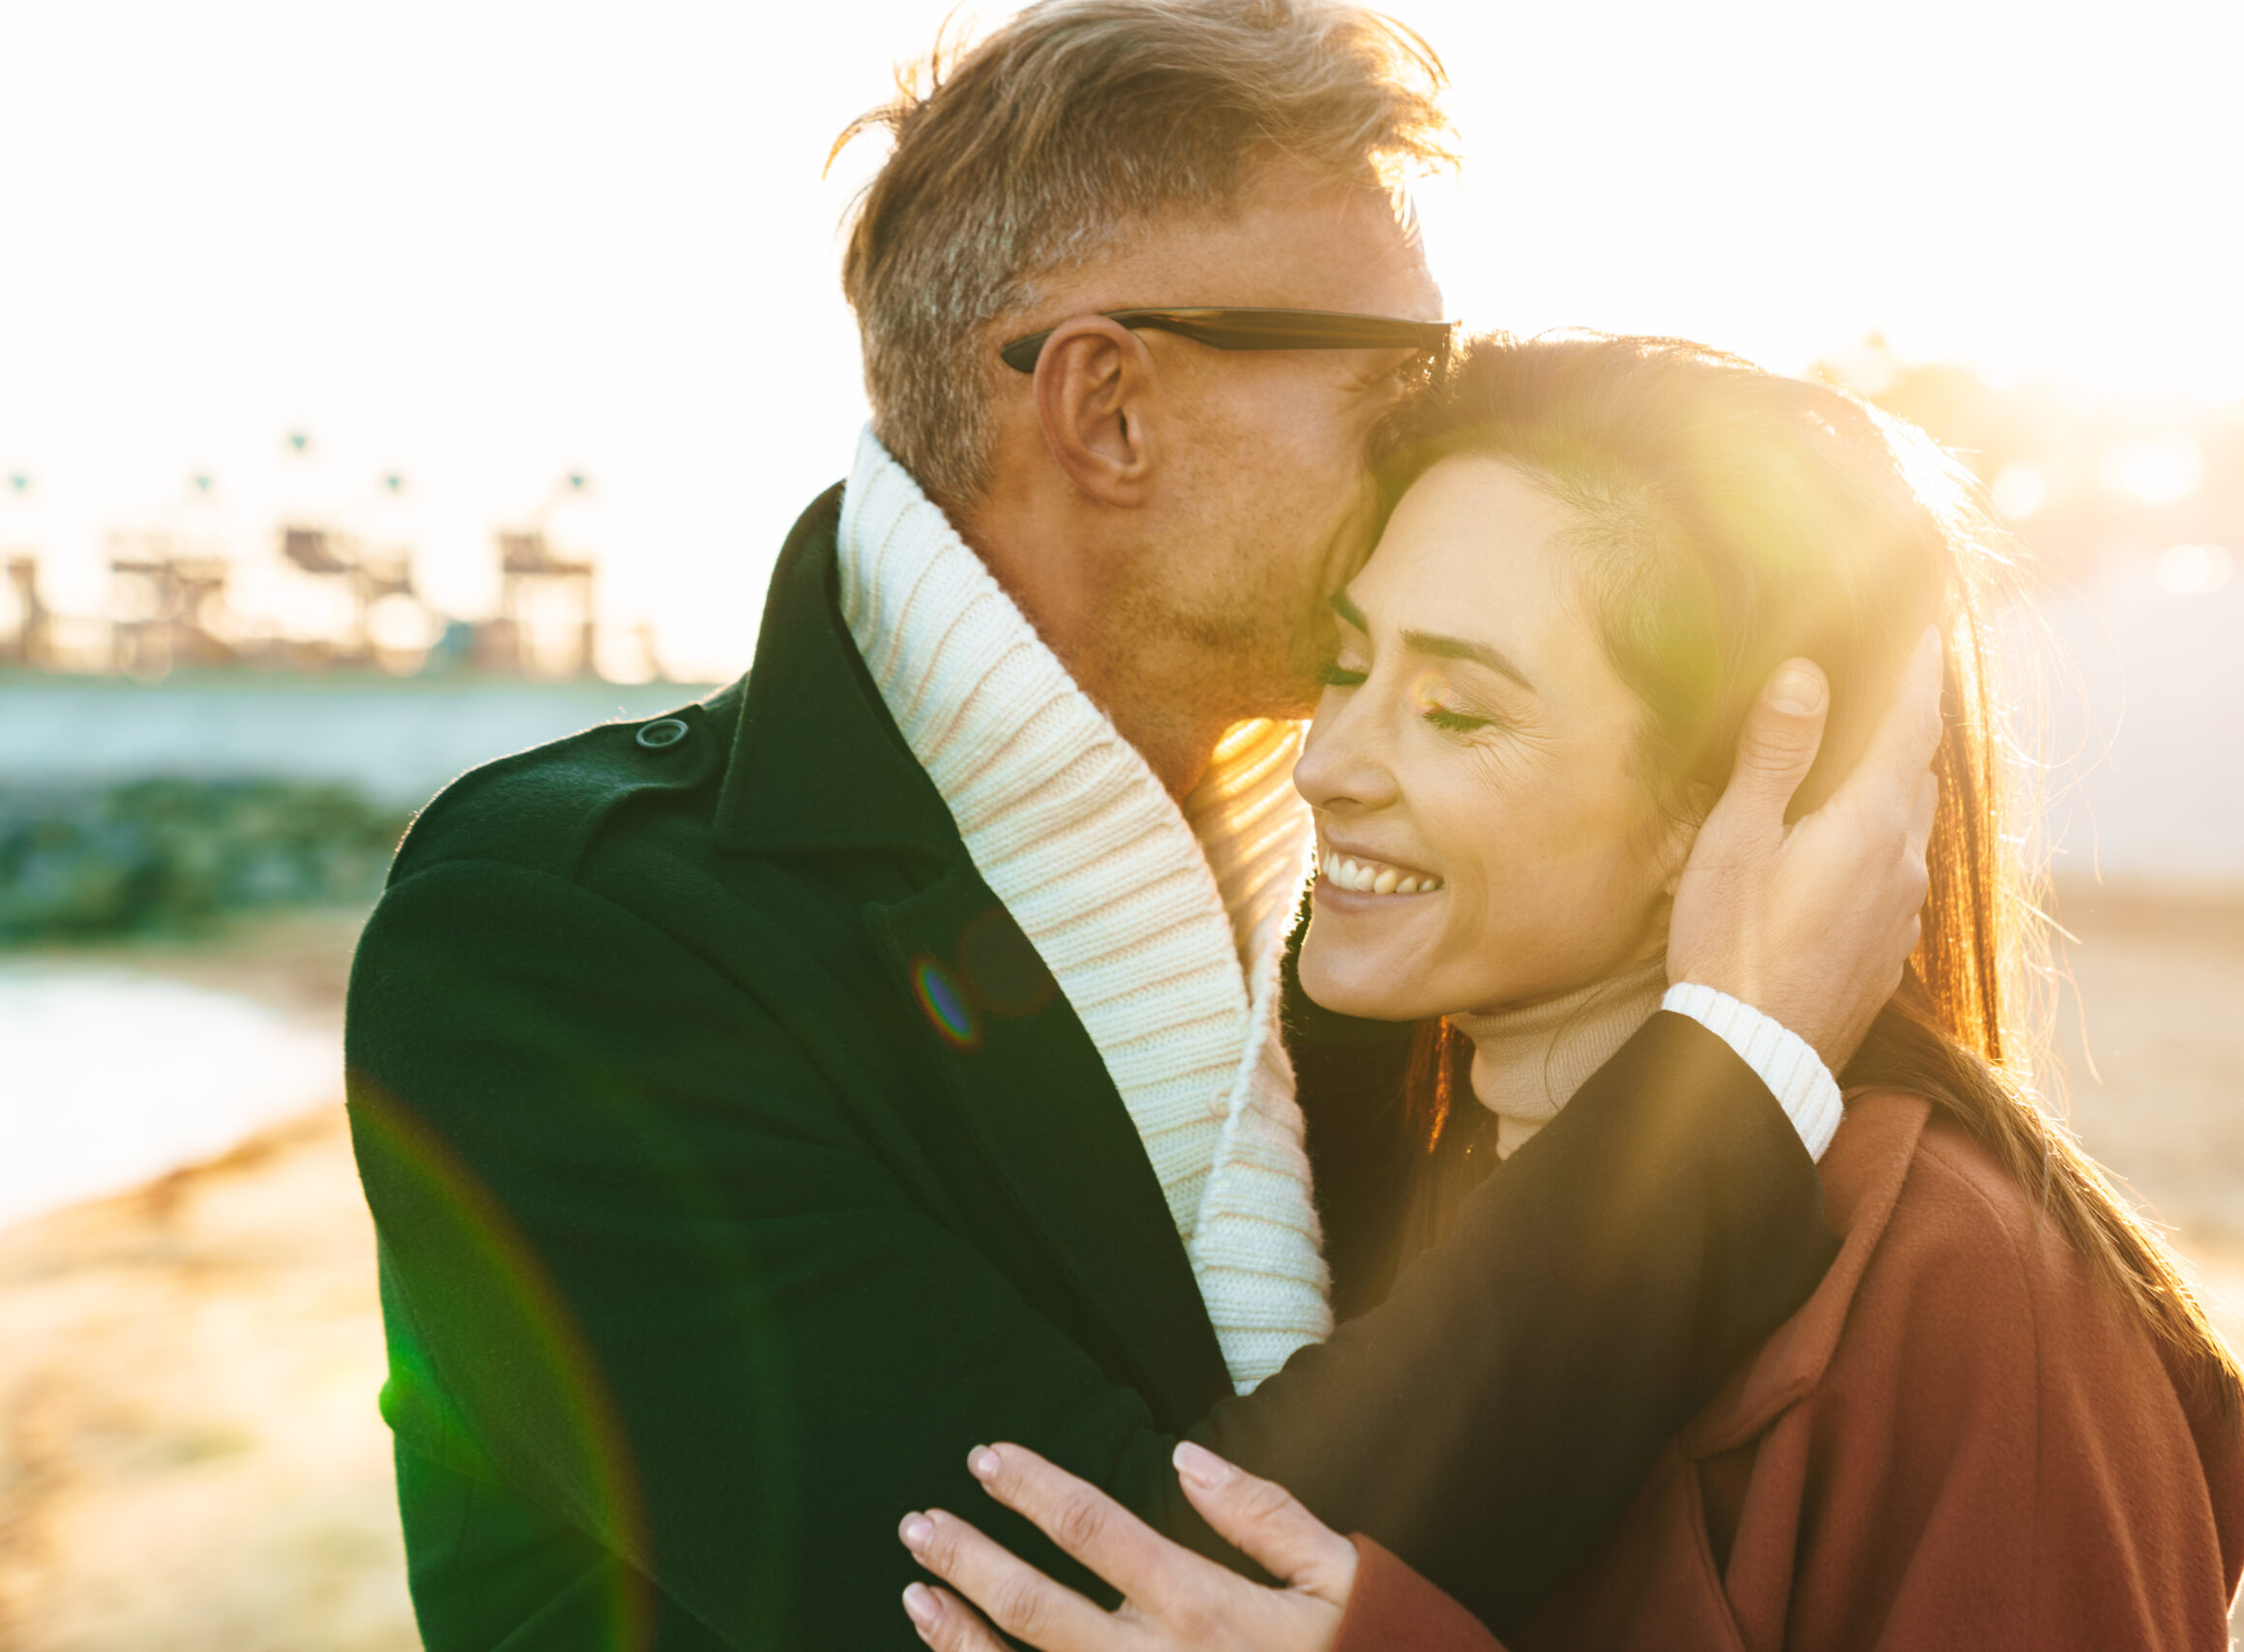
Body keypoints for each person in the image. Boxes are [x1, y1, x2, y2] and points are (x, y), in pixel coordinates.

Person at [342, 8, 1939, 1648]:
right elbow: (1138, 1596)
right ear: (1108, 407)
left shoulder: (1359, 908)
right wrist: (1732, 1079)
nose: (1441, 445)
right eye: (1399, 386)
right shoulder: (562, 946)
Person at [892, 337, 2244, 1652]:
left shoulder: (1960, 1287)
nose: (1327, 766)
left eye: (1458, 711)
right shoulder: (1381, 1184)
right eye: (1345, 664)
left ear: (1732, 799)